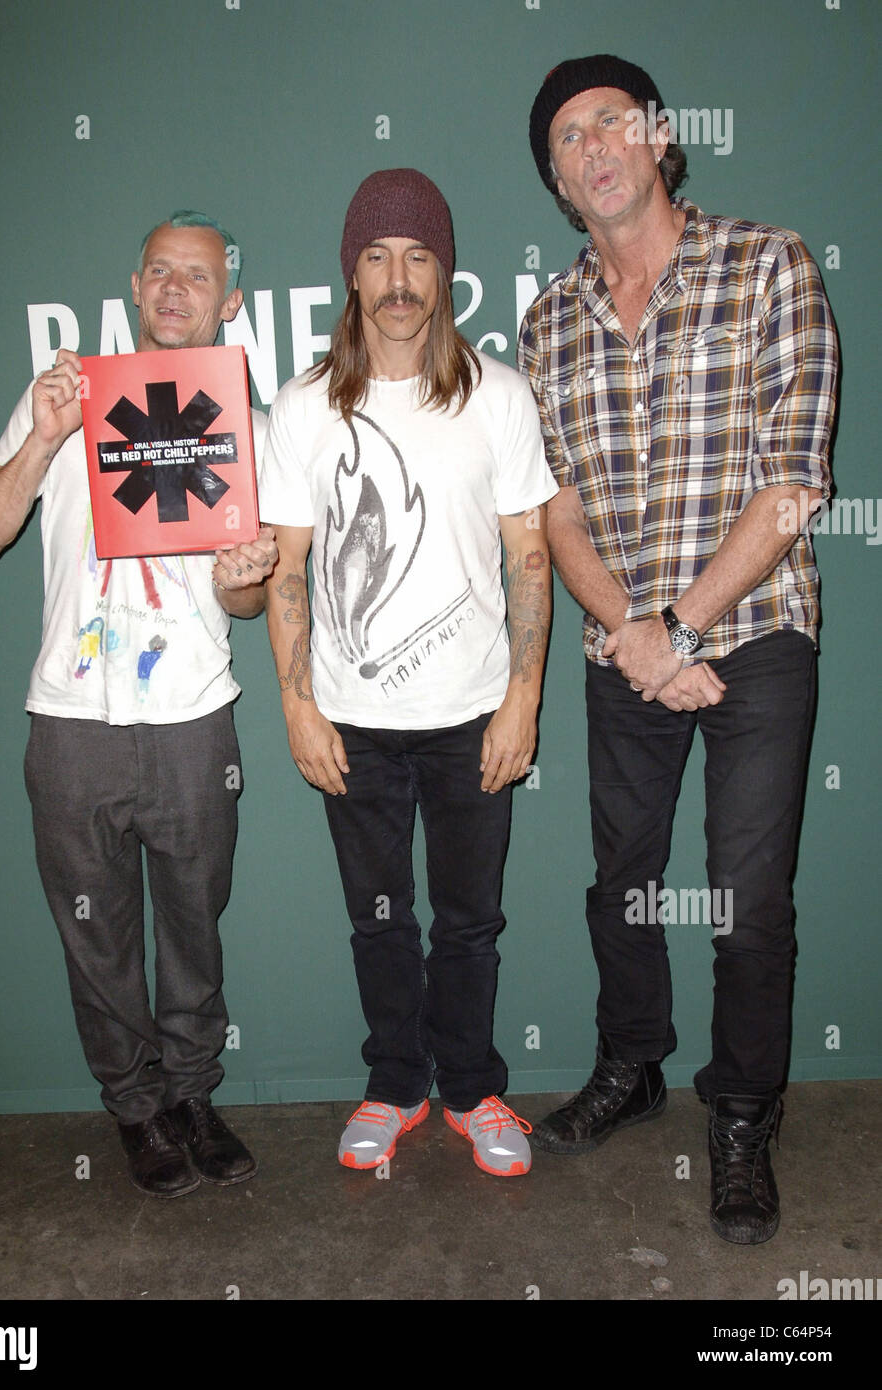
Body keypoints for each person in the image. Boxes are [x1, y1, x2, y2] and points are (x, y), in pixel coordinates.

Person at [519, 56, 838, 1241]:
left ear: (658, 137)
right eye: (566, 138)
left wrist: (682, 628)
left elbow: (794, 482)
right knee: (625, 886)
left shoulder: (769, 263)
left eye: (611, 122)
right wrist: (632, 634)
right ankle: (633, 1066)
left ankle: (743, 1111)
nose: (592, 147)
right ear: (556, 179)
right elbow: (556, 511)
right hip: (626, 645)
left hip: (750, 633)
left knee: (750, 903)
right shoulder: (549, 321)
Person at [0, 211, 278, 1198]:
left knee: (194, 923)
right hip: (71, 718)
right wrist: (47, 437)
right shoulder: (64, 397)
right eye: (159, 273)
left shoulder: (245, 426)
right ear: (135, 289)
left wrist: (247, 572)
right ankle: (136, 1110)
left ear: (230, 304)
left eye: (199, 276)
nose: (176, 288)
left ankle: (191, 1092)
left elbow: (245, 597)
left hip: (192, 716)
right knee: (95, 933)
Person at [260, 169, 554, 1178]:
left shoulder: (500, 395)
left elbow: (529, 555)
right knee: (379, 922)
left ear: (445, 273)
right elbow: (287, 566)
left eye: (418, 256)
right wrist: (298, 707)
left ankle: (471, 1089)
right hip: (353, 717)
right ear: (352, 274)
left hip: (475, 711)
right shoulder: (301, 410)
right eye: (378, 257)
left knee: (471, 922)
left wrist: (524, 698)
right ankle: (394, 1084)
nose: (398, 278)